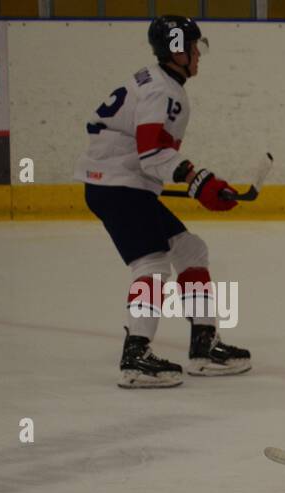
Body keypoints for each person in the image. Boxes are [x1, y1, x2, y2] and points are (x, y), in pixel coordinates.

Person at [74, 15, 250, 388]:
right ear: (177, 51)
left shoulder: (156, 81)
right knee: (151, 261)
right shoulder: (162, 92)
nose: (198, 56)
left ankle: (203, 344)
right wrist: (197, 181)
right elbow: (151, 154)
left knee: (190, 250)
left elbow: (146, 157)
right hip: (118, 186)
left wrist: (195, 183)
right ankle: (135, 356)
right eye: (193, 48)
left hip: (120, 183)